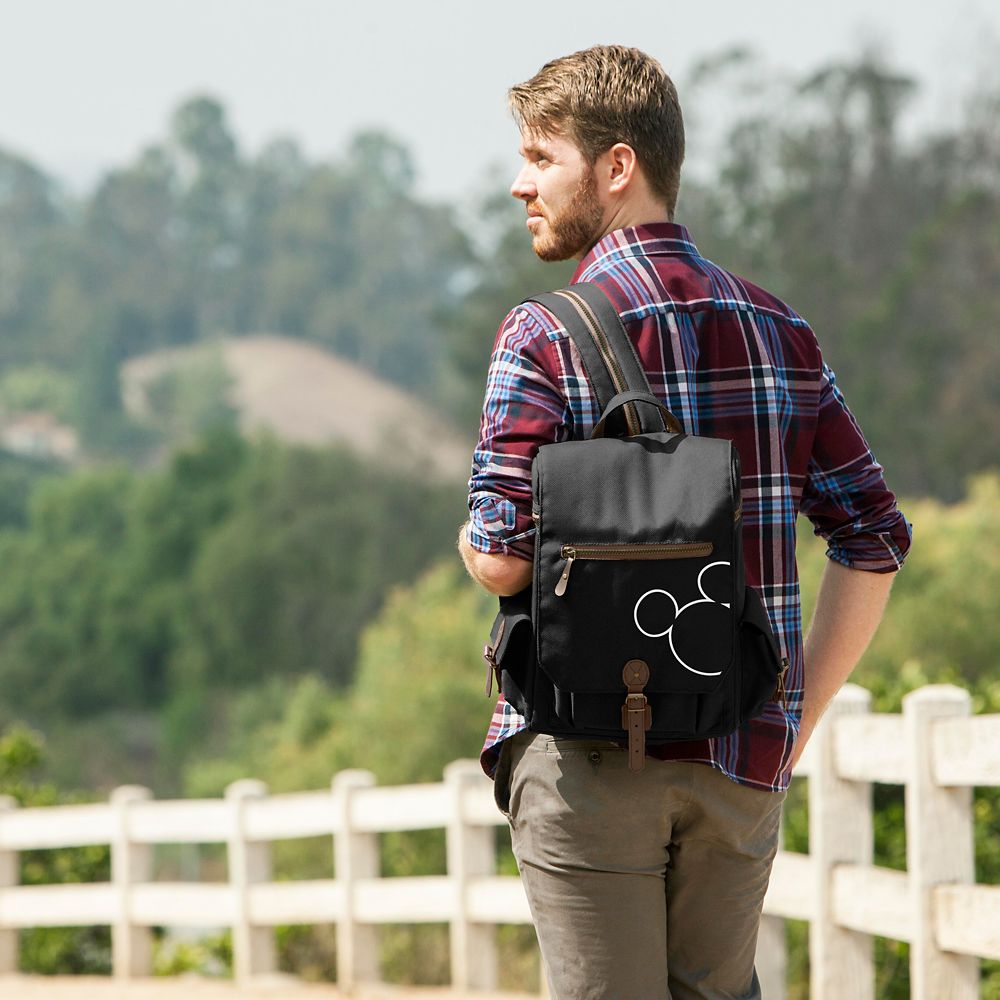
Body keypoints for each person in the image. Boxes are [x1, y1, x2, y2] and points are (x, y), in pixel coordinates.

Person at [457, 44, 911, 1000]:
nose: (517, 184)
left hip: (586, 752)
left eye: (541, 158)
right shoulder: (780, 331)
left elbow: (500, 563)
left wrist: (470, 539)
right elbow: (874, 537)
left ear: (616, 167)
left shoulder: (543, 334)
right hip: (742, 749)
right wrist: (793, 716)